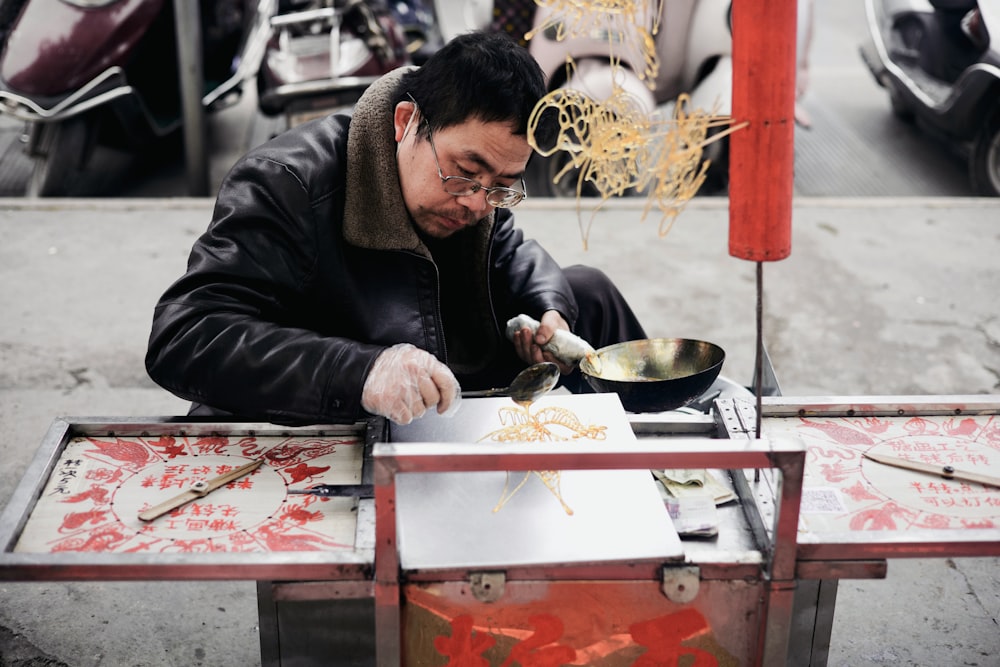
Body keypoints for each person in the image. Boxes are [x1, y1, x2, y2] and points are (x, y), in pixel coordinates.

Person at [145, 30, 647, 426]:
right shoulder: (288, 182)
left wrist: (548, 311)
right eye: (462, 172)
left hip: (443, 377)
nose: (475, 202)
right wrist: (361, 371)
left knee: (589, 292)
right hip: (326, 416)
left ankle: (665, 456)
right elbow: (185, 336)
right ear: (406, 122)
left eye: (501, 185)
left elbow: (507, 244)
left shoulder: (477, 193)